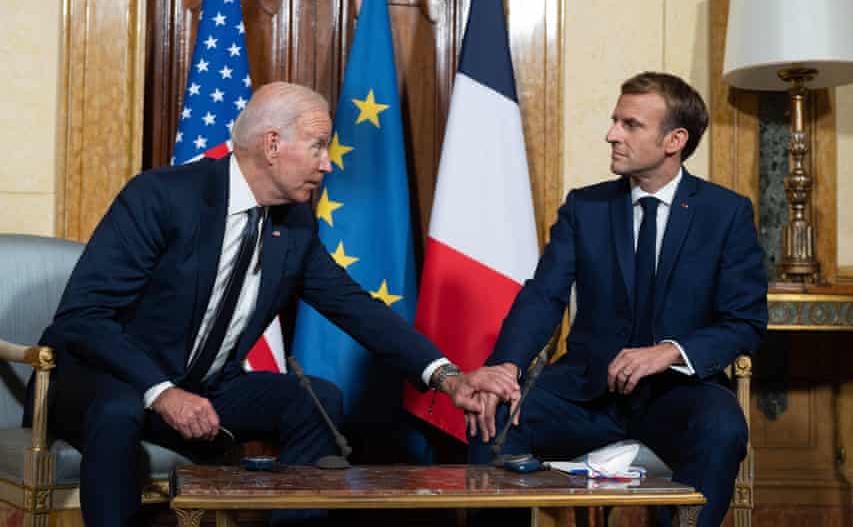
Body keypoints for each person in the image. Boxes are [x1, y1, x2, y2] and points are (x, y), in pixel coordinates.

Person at [31, 82, 519, 527]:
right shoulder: (162, 196)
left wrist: (447, 376)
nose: (327, 163)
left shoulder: (295, 224)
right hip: (104, 378)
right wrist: (160, 391)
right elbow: (83, 316)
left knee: (314, 400)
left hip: (201, 385)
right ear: (271, 145)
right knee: (119, 412)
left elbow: (356, 307)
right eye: (318, 147)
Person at [468, 72, 767, 526]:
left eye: (630, 125)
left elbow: (744, 321)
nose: (612, 134)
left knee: (723, 428)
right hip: (585, 396)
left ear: (675, 140)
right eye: (615, 121)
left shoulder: (725, 213)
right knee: (492, 416)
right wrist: (507, 365)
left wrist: (669, 353)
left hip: (680, 395)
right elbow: (544, 296)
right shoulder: (585, 208)